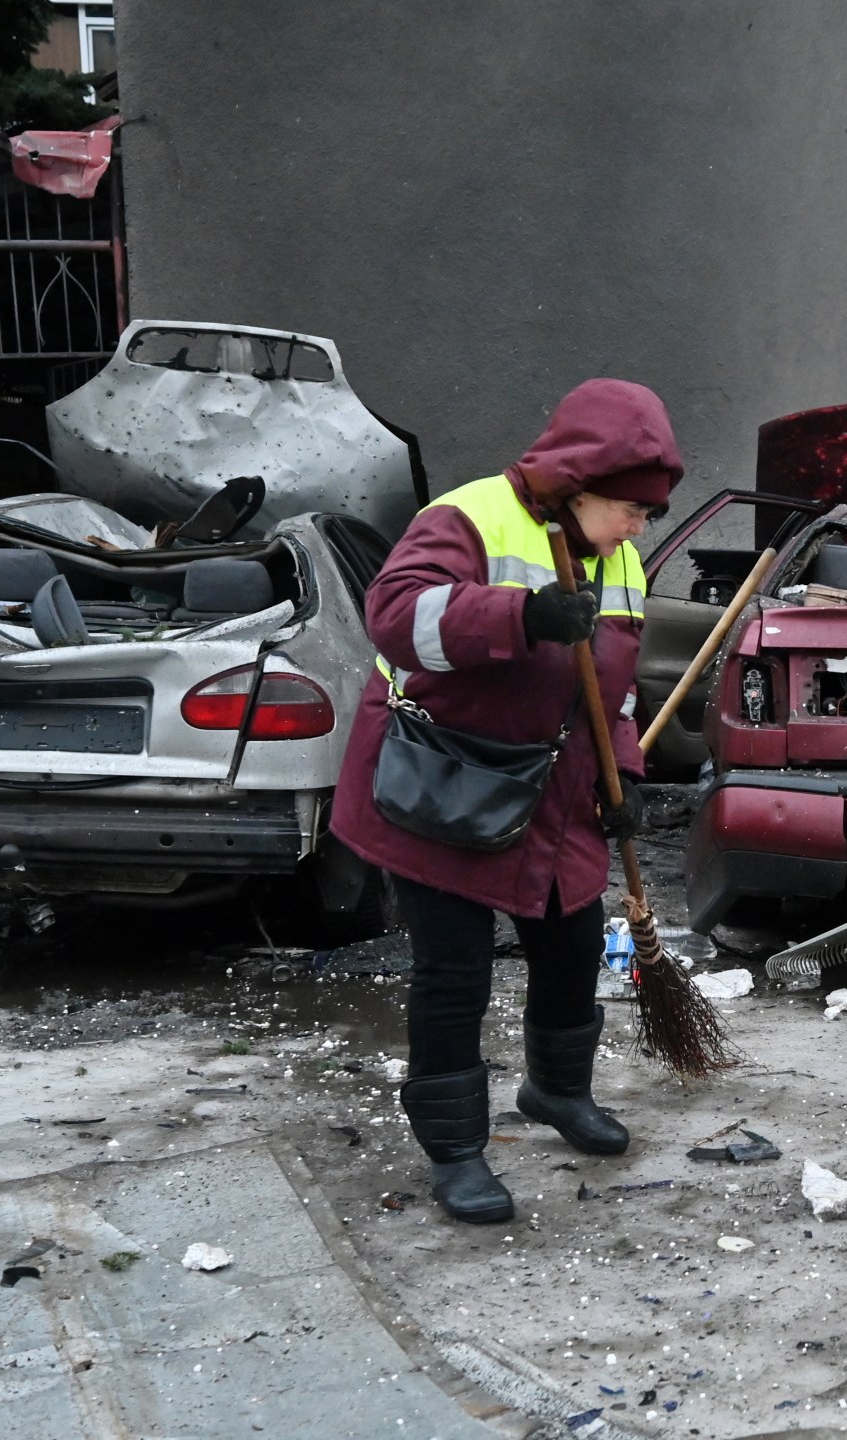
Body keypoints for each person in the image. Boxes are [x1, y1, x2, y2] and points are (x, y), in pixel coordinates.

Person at [329, 378, 681, 1224]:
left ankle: (556, 1090)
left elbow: (614, 690)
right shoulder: (469, 517)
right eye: (630, 509)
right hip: (445, 783)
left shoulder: (619, 558)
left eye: (648, 514)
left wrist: (622, 775)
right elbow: (395, 617)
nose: (638, 529)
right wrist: (521, 616)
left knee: (572, 948)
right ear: (578, 484)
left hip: (552, 794)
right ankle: (455, 1150)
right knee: (456, 973)